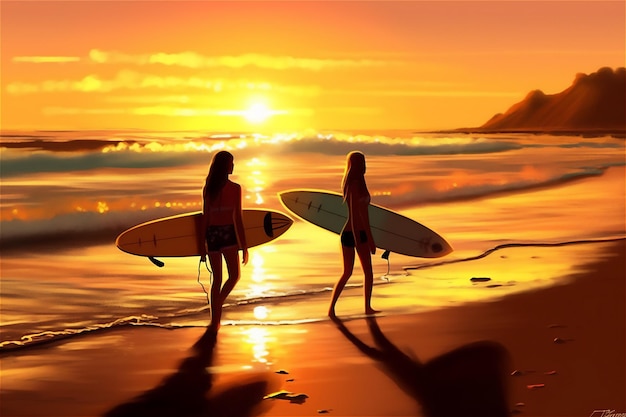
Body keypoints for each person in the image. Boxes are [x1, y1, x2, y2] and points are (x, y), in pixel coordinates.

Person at [199, 150, 248, 332]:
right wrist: (244, 246)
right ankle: (218, 305)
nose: (233, 166)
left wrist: (202, 244)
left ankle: (215, 321)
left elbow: (205, 218)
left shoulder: (208, 188)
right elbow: (238, 219)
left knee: (217, 280)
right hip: (227, 234)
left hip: (211, 235)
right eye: (231, 163)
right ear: (225, 166)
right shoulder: (235, 188)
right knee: (234, 276)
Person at [328, 151, 379, 318]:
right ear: (356, 164)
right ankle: (332, 308)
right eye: (362, 162)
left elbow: (365, 216)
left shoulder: (360, 183)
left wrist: (370, 238)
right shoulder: (353, 185)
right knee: (350, 272)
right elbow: (354, 213)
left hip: (360, 233)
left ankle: (367, 307)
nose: (364, 164)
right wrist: (360, 239)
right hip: (352, 234)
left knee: (365, 272)